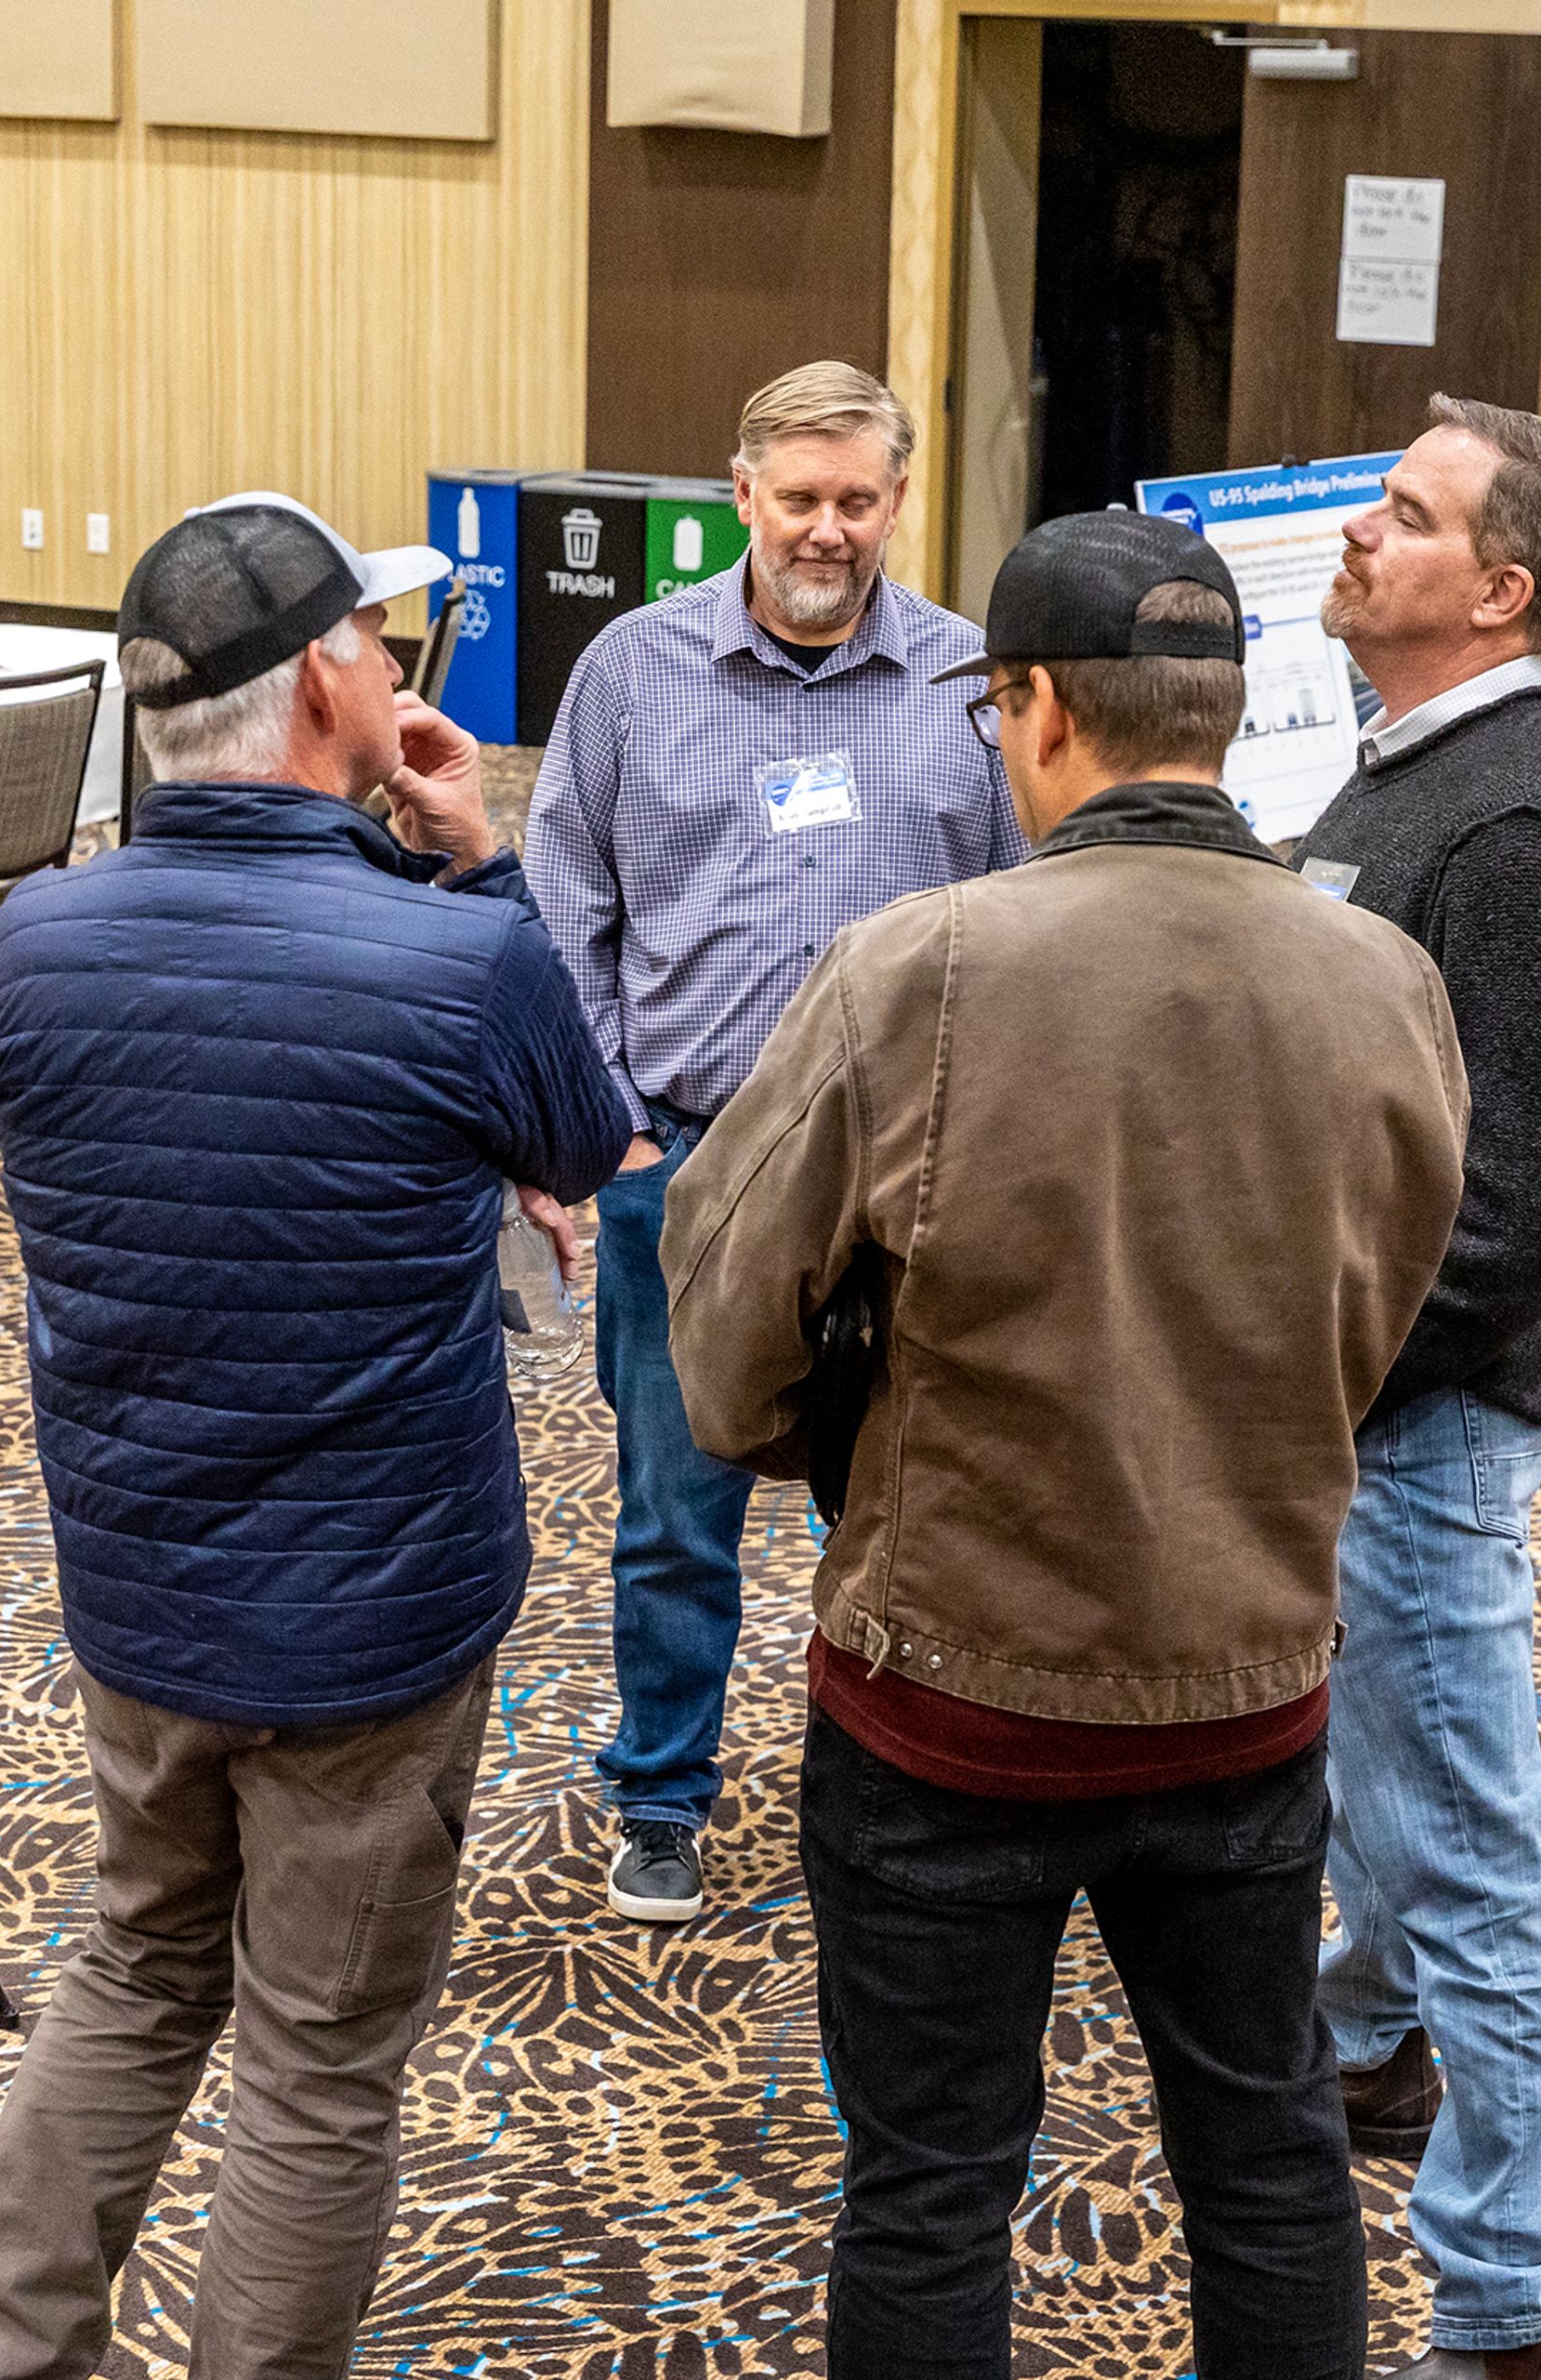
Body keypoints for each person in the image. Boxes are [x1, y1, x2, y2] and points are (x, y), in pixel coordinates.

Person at [663, 509, 1471, 2380]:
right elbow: (1391, 1310)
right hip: (1253, 1688)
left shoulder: (915, 969)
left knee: (931, 2181)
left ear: (1026, 709)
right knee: (1270, 2157)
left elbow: (722, 1346)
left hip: (948, 1692)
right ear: (1232, 707)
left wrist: (836, 1442)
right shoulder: (1383, 983)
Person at [0, 495, 626, 2380]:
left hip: (141, 1595)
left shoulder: (45, 937)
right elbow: (581, 1141)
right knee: (318, 2060)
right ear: (329, 675)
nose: (402, 667)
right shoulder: (448, 957)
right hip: (372, 1627)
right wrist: (470, 855)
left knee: (139, 1955)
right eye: (382, 643)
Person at [524, 361, 1026, 1926]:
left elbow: (1026, 922)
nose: (828, 529)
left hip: (907, 1187)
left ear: (897, 499)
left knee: (900, 1515)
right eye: (798, 498)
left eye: (857, 499)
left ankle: (882, 1790)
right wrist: (603, 1122)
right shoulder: (629, 671)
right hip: (687, 1168)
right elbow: (564, 902)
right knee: (676, 1511)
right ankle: (663, 1792)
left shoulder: (966, 681)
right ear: (739, 496)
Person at [1293, 397, 1541, 2380]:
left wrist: (1321, 1365)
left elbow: (1535, 1212)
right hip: (1370, 1402)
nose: (1355, 533)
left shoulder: (1512, 826)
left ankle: (1505, 2296)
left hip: (1420, 1419)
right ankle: (1357, 2029)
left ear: (1496, 590)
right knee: (1381, 1770)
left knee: (1475, 1841)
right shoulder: (1413, 766)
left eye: (1402, 518)